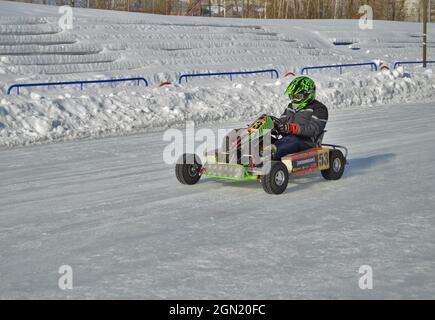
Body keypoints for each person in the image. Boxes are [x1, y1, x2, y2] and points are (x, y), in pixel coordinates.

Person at [273, 76, 329, 159]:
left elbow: (313, 129)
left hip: (307, 143)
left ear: (308, 94)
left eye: (297, 96)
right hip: (287, 140)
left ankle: (270, 155)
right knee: (265, 139)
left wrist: (293, 128)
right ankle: (255, 154)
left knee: (292, 140)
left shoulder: (319, 109)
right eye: (292, 97)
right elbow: (281, 121)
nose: (294, 100)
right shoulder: (291, 107)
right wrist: (274, 125)